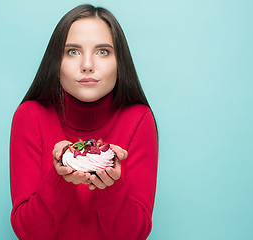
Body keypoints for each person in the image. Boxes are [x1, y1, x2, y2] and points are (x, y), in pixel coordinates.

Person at [10, 4, 158, 240]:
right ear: (55, 64)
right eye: (72, 51)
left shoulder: (139, 119)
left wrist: (110, 186)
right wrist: (60, 177)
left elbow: (135, 235)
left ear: (120, 64)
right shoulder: (29, 116)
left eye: (102, 51)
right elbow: (27, 233)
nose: (87, 65)